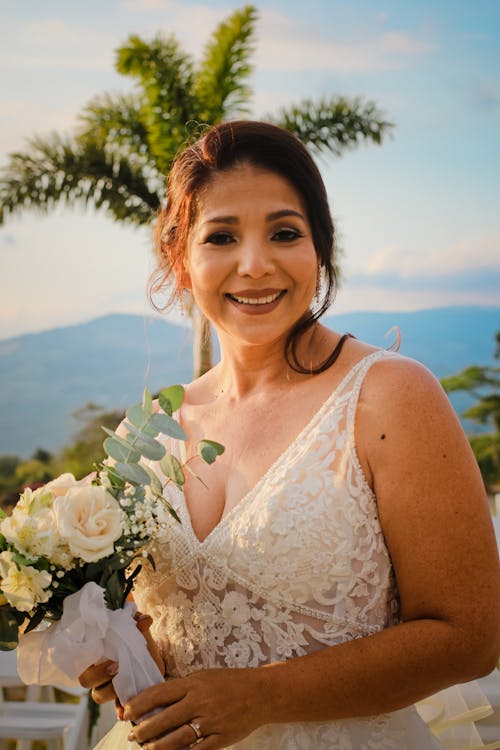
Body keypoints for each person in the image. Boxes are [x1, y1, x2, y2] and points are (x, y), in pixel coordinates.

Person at [80, 120, 500, 750]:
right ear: (182, 260)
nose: (255, 265)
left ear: (320, 249)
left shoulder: (388, 396)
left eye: (284, 233)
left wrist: (264, 694)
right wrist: (119, 662)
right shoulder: (149, 433)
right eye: (221, 237)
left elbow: (471, 636)